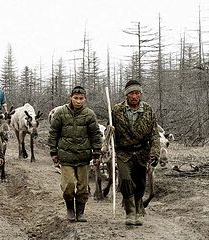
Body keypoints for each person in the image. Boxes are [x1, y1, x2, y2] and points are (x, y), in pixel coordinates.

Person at [48, 86, 102, 222]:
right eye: (75, 98)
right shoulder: (61, 113)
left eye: (81, 98)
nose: (78, 101)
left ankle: (81, 212)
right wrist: (53, 152)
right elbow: (53, 132)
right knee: (69, 185)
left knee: (83, 187)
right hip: (66, 156)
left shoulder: (89, 114)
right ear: (70, 97)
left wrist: (96, 153)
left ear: (85, 99)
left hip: (83, 157)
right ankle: (70, 209)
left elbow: (95, 135)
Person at [111, 80, 160, 226]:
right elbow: (110, 131)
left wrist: (155, 153)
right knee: (125, 180)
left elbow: (154, 134)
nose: (134, 96)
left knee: (140, 183)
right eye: (131, 93)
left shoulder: (148, 110)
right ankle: (130, 212)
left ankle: (138, 208)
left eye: (137, 93)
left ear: (140, 94)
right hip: (123, 153)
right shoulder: (116, 110)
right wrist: (109, 131)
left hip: (141, 152)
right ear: (126, 94)